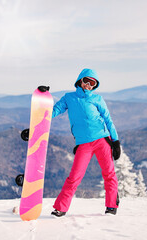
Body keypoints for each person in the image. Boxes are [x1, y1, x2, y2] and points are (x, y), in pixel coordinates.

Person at [51, 68, 121, 217]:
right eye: (87, 81)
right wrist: (43, 105)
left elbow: (108, 119)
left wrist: (115, 141)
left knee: (109, 174)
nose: (89, 85)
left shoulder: (97, 99)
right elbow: (55, 110)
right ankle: (61, 208)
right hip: (84, 144)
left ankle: (111, 206)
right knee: (74, 177)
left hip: (102, 140)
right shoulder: (69, 98)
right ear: (80, 80)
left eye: (93, 83)